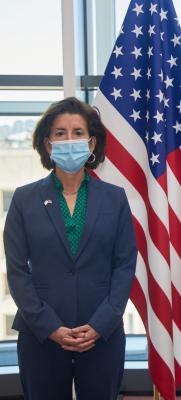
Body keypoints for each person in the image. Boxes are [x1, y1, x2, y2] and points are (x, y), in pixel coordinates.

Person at [4, 97, 137, 400]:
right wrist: (49, 326)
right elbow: (17, 271)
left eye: (77, 133)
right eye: (60, 133)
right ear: (48, 145)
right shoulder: (24, 200)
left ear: (91, 144)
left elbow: (125, 265)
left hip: (102, 335)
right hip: (42, 337)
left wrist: (101, 323)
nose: (69, 140)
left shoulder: (115, 198)